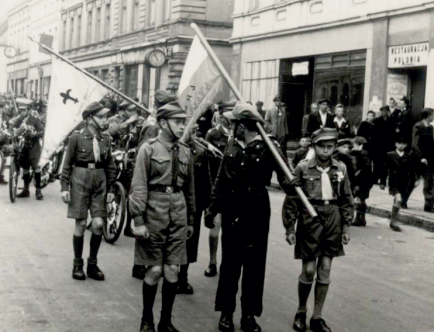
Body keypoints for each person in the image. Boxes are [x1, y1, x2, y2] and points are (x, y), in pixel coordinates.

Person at [204, 103, 290, 332]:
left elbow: (285, 178)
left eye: (233, 123)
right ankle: (226, 313)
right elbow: (221, 179)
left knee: (254, 265)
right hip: (233, 209)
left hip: (257, 210)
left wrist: (293, 182)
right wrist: (212, 208)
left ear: (242, 126)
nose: (230, 126)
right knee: (230, 264)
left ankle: (249, 315)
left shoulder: (270, 146)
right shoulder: (232, 145)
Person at [129, 101, 195, 332]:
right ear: (163, 123)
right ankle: (147, 319)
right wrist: (137, 220)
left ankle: (166, 321)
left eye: (183, 122)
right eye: (177, 122)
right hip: (153, 213)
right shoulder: (148, 149)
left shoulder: (186, 150)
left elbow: (189, 189)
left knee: (172, 270)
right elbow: (138, 186)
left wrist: (190, 221)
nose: (181, 126)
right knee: (154, 270)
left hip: (178, 214)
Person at [283, 128, 353, 332]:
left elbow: (346, 199)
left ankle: (317, 316)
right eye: (322, 146)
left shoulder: (340, 168)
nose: (326, 150)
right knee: (309, 269)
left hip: (333, 217)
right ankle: (301, 311)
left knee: (325, 269)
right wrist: (290, 228)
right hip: (310, 217)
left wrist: (346, 226)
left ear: (334, 148)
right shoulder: (302, 168)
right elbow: (292, 200)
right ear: (314, 146)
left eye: (330, 146)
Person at [60, 102, 116, 281]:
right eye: (101, 117)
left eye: (106, 117)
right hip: (80, 180)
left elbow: (110, 165)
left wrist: (111, 188)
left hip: (99, 181)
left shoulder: (106, 139)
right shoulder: (76, 137)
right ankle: (77, 264)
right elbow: (67, 164)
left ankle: (92, 264)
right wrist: (64, 187)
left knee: (99, 224)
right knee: (81, 224)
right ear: (90, 118)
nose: (105, 120)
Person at [177, 123, 211, 295]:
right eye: (188, 129)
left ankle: (183, 277)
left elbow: (206, 181)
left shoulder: (200, 151)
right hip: (174, 202)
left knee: (190, 241)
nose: (191, 133)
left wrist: (207, 207)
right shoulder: (173, 148)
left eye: (194, 130)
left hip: (193, 204)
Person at [203, 102, 235, 278]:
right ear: (222, 116)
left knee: (231, 231)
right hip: (217, 187)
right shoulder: (213, 134)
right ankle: (212, 262)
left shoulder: (239, 134)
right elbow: (206, 162)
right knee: (215, 229)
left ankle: (227, 264)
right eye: (228, 116)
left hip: (234, 191)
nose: (231, 120)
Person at [9, 99, 45, 200]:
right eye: (21, 110)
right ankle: (26, 190)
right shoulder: (21, 117)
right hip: (24, 144)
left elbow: (42, 131)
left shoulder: (35, 117)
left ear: (29, 109)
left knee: (36, 167)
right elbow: (13, 125)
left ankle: (38, 191)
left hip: (34, 145)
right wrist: (13, 128)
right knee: (25, 167)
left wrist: (34, 134)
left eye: (24, 110)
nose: (22, 112)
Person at [381, 136, 417, 231]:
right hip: (394, 181)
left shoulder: (408, 156)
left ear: (406, 145)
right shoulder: (390, 155)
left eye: (403, 144)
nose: (401, 145)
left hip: (404, 183)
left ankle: (393, 220)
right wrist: (383, 182)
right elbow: (384, 169)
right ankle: (394, 222)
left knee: (398, 201)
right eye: (399, 143)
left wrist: (415, 180)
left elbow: (412, 170)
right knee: (398, 199)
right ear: (395, 144)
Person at [411, 108, 434, 212]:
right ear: (428, 115)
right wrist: (421, 157)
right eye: (432, 115)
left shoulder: (431, 128)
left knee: (429, 181)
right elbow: (415, 144)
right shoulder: (418, 126)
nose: (433, 117)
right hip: (418, 158)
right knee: (412, 181)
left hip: (429, 159)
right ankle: (403, 200)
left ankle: (428, 205)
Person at [351, 136, 373, 226]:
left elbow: (365, 167)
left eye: (354, 144)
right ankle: (362, 218)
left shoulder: (363, 154)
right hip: (365, 180)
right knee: (361, 199)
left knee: (358, 199)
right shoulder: (361, 153)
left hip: (363, 180)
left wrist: (357, 173)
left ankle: (359, 218)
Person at [370, 105, 394, 184]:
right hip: (378, 145)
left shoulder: (391, 121)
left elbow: (392, 134)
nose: (384, 113)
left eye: (385, 111)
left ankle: (383, 180)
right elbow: (372, 134)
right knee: (377, 163)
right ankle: (375, 179)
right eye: (382, 111)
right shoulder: (376, 121)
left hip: (387, 146)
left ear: (388, 111)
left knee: (385, 164)